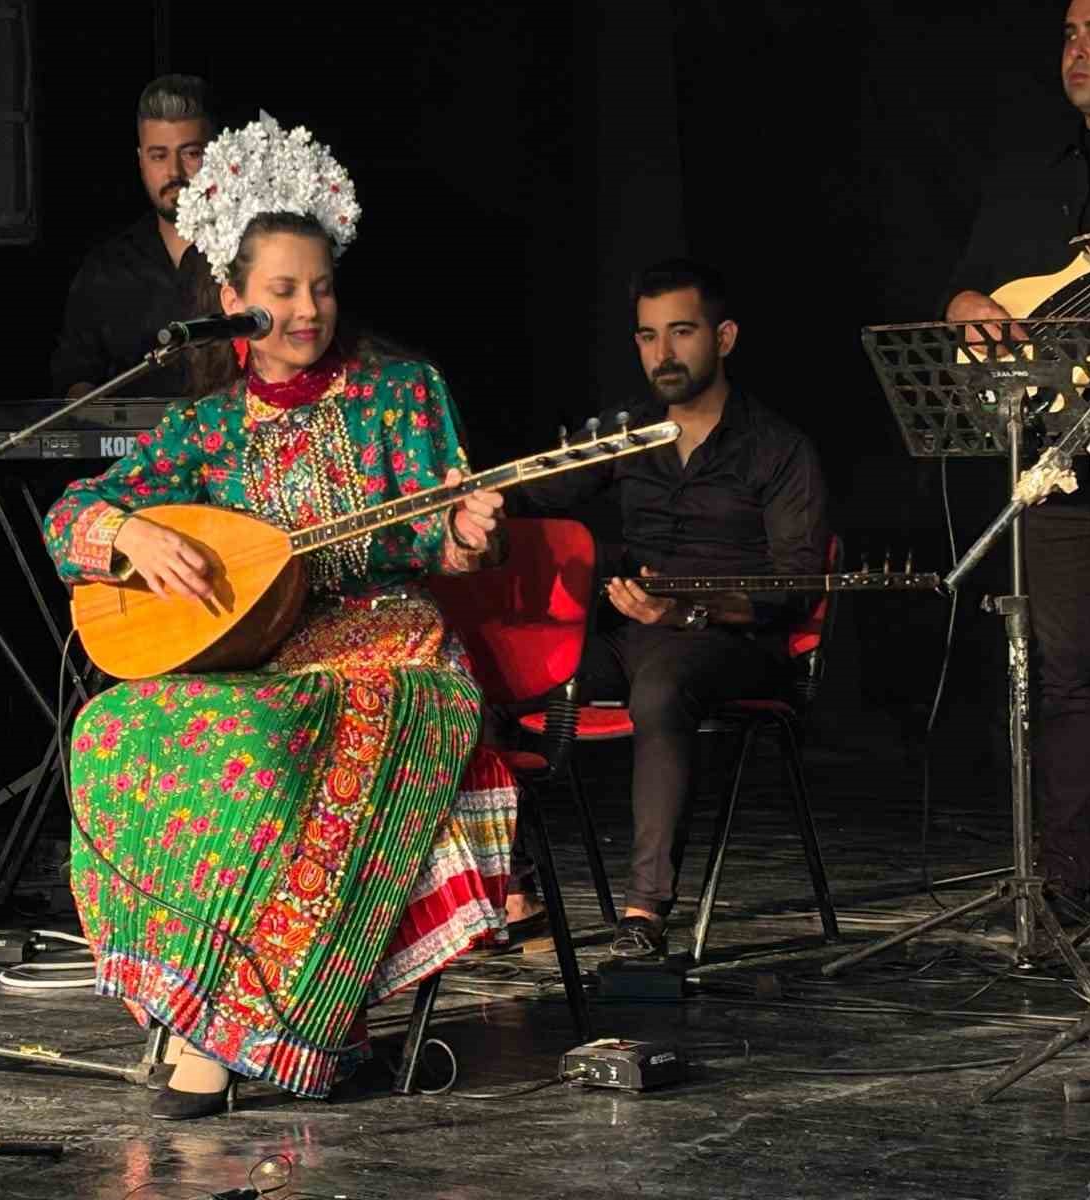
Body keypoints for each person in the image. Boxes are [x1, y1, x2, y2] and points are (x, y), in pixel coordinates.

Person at [43, 114, 514, 1118]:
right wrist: (130, 538)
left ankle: (258, 1022)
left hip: (393, 656)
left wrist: (469, 533)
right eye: (283, 291)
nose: (309, 308)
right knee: (112, 727)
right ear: (232, 302)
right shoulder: (203, 429)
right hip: (264, 656)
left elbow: (448, 539)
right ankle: (182, 1002)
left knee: (264, 740)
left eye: (321, 285)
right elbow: (69, 518)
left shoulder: (401, 393)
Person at [518, 258, 829, 959]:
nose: (663, 353)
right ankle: (515, 890)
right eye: (648, 336)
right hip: (637, 634)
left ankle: (644, 912)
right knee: (482, 677)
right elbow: (534, 493)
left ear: (723, 337)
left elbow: (797, 588)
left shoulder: (778, 449)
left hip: (737, 642)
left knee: (661, 688)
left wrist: (689, 614)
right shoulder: (631, 435)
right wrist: (473, 505)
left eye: (681, 332)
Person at [942, 0, 1090, 923]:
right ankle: (1075, 887)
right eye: (1072, 33)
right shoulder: (1035, 178)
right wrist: (970, 314)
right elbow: (969, 286)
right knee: (1064, 674)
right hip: (1060, 473)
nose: (1079, 51)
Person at [49, 74, 216, 398]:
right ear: (141, 161)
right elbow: (75, 377)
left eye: (191, 153)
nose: (174, 172)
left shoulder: (252, 254)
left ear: (217, 154)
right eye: (158, 155)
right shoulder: (106, 267)